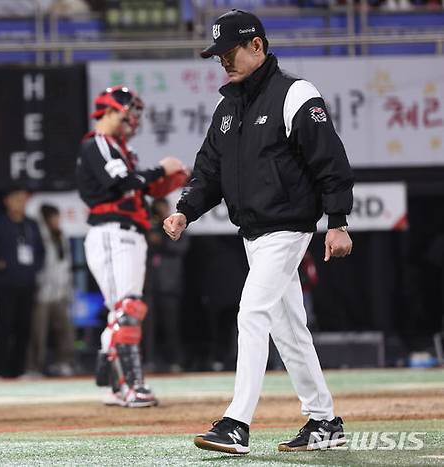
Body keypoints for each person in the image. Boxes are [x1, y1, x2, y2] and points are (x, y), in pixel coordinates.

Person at [163, 9, 354, 454]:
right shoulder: (226, 104)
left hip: (288, 228)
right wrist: (185, 211)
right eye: (218, 55)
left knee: (252, 313)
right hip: (253, 234)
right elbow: (208, 170)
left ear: (257, 46)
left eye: (230, 52)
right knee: (289, 329)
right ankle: (325, 421)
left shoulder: (296, 94)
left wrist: (338, 221)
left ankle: (236, 422)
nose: (223, 61)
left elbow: (331, 162)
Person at [76, 85, 187, 407]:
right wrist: (159, 170)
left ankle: (115, 384)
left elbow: (140, 188)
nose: (132, 120)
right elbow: (122, 183)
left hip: (129, 234)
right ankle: (129, 386)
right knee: (127, 308)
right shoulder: (97, 142)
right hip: (112, 232)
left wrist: (168, 180)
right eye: (127, 113)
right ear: (110, 110)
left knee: (125, 310)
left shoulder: (121, 148)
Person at [0, 187, 44, 378]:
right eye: (17, 199)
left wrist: (34, 268)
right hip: (5, 283)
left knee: (24, 328)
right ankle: (0, 370)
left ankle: (19, 370)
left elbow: (41, 251)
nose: (20, 203)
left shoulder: (31, 224)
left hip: (27, 283)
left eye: (23, 199)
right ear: (7, 201)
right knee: (4, 326)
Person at [24, 204, 75, 378]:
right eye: (53, 217)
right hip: (43, 294)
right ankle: (34, 367)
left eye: (57, 217)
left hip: (60, 293)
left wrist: (68, 290)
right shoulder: (38, 236)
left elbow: (65, 265)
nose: (56, 221)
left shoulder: (61, 236)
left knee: (65, 331)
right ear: (46, 219)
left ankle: (64, 363)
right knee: (38, 332)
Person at [145, 198, 189, 372]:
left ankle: (174, 361)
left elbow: (181, 248)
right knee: (148, 328)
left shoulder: (176, 226)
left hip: (169, 285)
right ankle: (149, 360)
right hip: (149, 284)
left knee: (171, 326)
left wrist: (161, 241)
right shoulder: (147, 227)